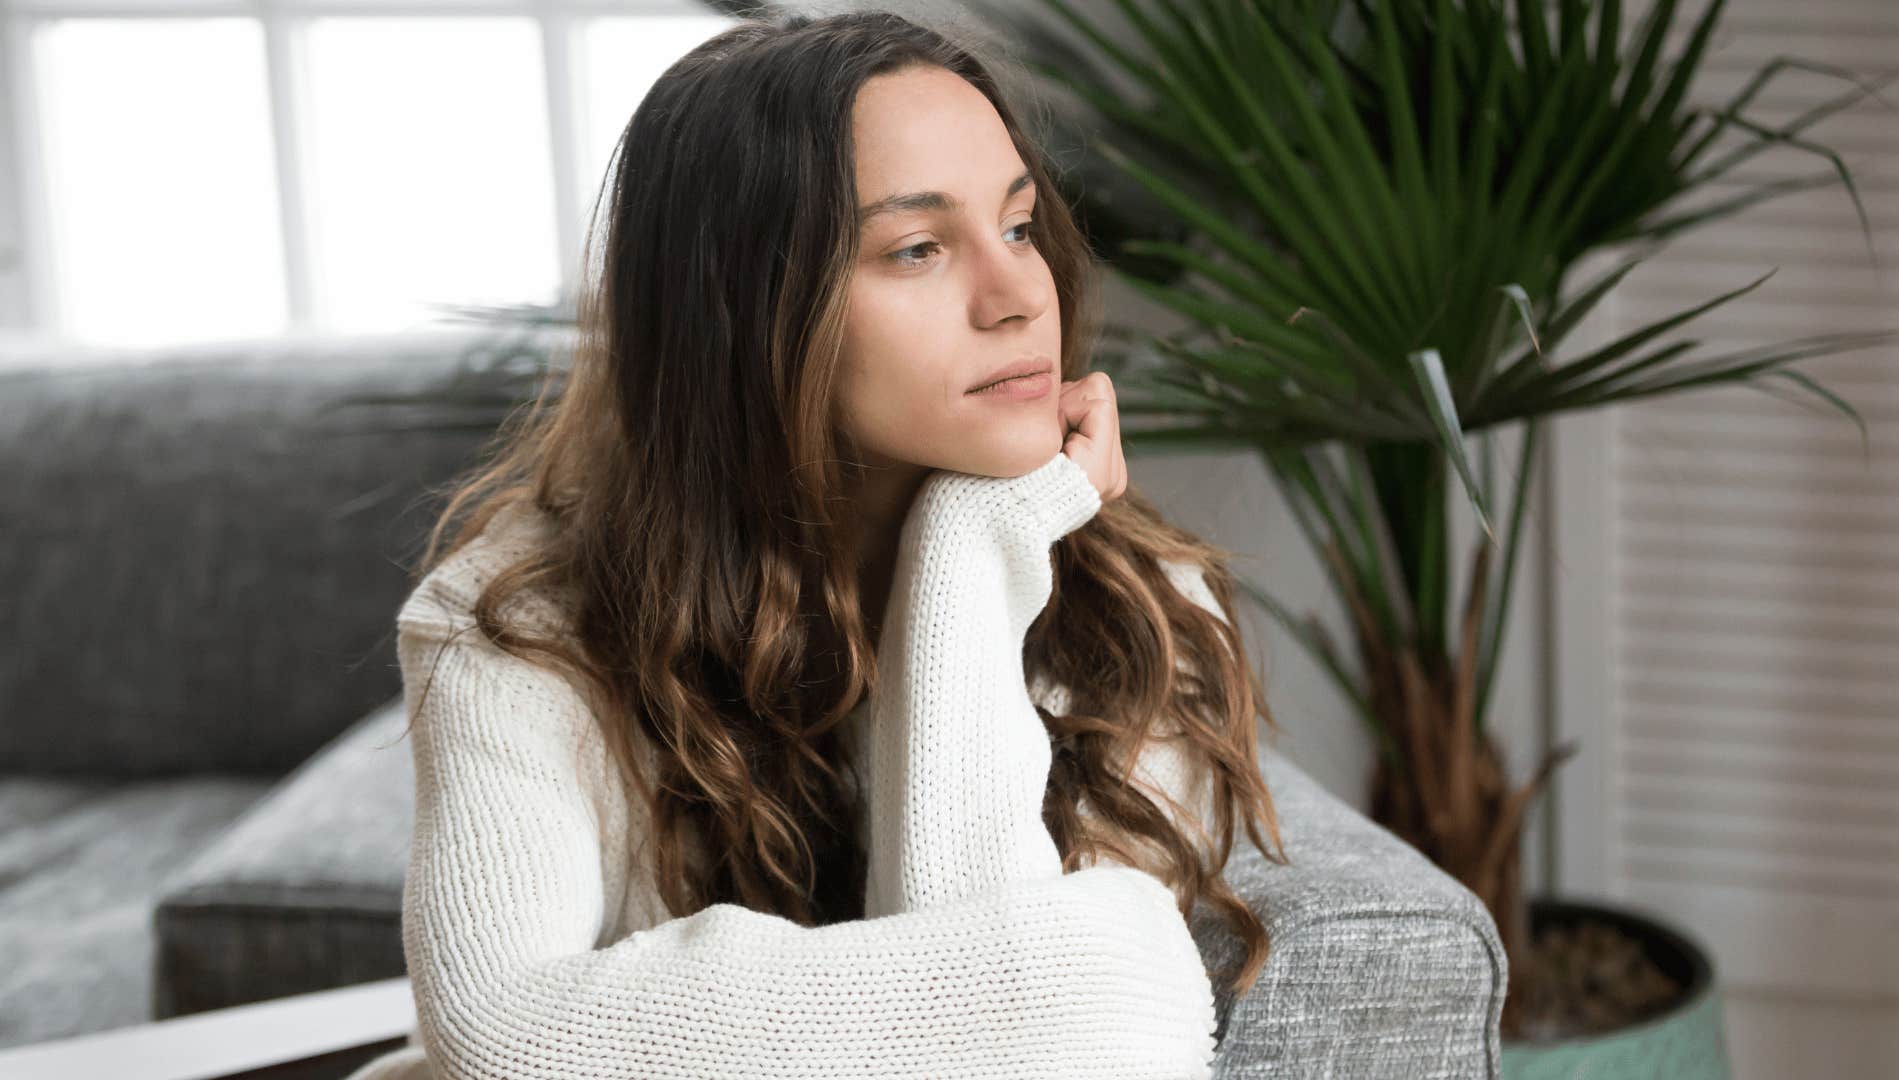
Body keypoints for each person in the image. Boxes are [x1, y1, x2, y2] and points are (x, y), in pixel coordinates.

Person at [345, 8, 1287, 1078]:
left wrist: (973, 556)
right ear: (744, 316)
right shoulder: (515, 629)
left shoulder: (1137, 609)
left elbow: (1025, 1059)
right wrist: (1104, 972)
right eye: (918, 249)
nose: (1020, 294)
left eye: (1020, 227)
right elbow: (502, 1037)